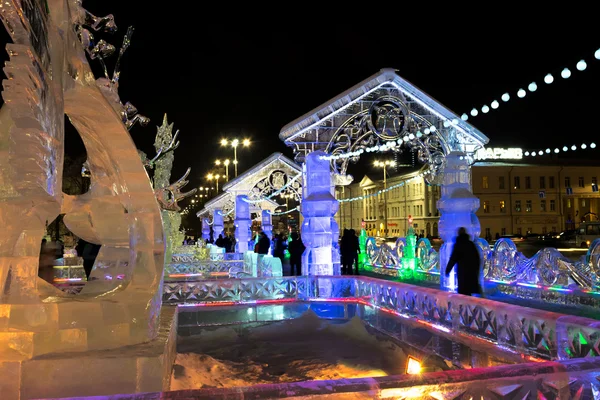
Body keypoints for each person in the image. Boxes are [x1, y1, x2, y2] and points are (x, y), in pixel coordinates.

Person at [445, 227, 482, 296]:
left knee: (463, 293)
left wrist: (447, 270)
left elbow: (453, 259)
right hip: (471, 273)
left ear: (458, 234)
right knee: (469, 292)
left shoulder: (458, 245)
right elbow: (477, 258)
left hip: (462, 272)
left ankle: (465, 305)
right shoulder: (471, 244)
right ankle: (470, 305)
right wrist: (476, 271)